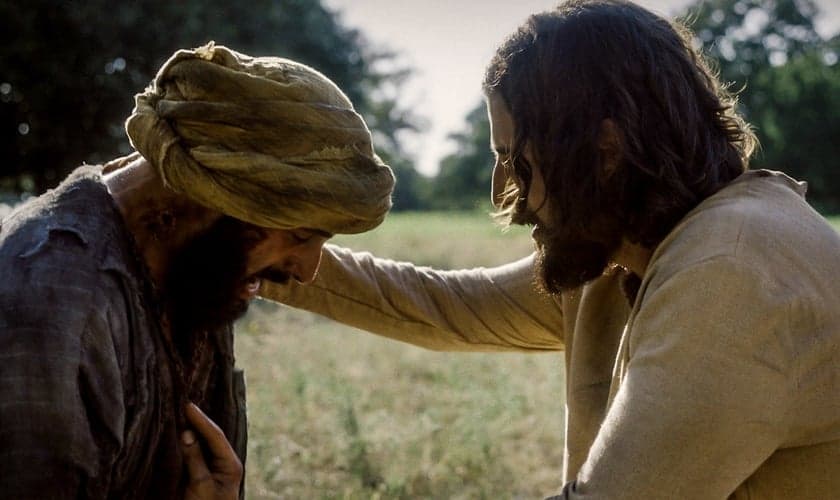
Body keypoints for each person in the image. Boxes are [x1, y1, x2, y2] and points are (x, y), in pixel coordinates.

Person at [261, 1, 840, 498]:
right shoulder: (631, 249)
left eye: (515, 161)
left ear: (605, 151)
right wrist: (268, 248)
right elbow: (449, 306)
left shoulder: (728, 275)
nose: (502, 194)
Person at [0, 43, 394, 498]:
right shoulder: (51, 303)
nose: (306, 272)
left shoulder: (196, 266)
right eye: (301, 236)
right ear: (205, 197)